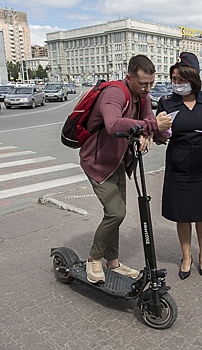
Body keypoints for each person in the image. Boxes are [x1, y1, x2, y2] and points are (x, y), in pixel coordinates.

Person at [79, 55, 172, 284]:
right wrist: (150, 126)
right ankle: (93, 259)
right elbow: (112, 124)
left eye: (151, 83)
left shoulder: (142, 97)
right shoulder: (115, 93)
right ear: (129, 77)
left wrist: (148, 132)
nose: (147, 88)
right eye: (143, 84)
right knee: (116, 213)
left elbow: (148, 118)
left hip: (119, 162)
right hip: (98, 163)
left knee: (116, 214)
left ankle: (113, 262)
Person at [156, 52, 202, 280]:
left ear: (193, 78)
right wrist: (162, 131)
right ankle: (186, 257)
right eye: (173, 80)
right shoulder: (166, 103)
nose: (176, 84)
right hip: (179, 165)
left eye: (180, 80)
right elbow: (158, 133)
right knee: (183, 214)